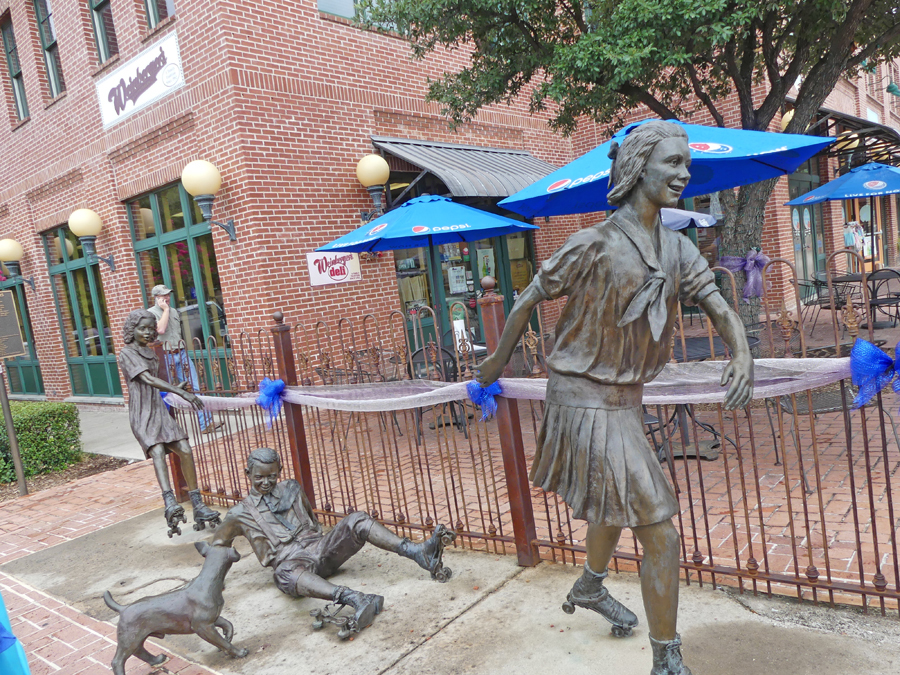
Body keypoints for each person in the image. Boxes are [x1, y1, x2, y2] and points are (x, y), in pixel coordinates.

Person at [475, 121, 753, 675]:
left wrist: (741, 351)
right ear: (637, 169)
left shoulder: (675, 246)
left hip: (626, 398)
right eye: (673, 163)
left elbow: (716, 303)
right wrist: (496, 361)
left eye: (687, 166)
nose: (683, 175)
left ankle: (590, 585)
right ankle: (666, 660)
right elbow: (529, 298)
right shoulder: (594, 243)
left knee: (613, 498)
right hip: (582, 397)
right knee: (660, 529)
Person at [211, 447, 455, 635]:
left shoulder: (292, 488)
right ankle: (354, 598)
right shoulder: (239, 514)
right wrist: (214, 582)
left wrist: (321, 541)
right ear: (247, 475)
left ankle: (418, 552)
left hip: (320, 548)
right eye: (259, 478)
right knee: (283, 574)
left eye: (272, 476)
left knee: (357, 519)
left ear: (279, 472)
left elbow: (311, 519)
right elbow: (218, 545)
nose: (266, 483)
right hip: (292, 564)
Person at [118, 309, 222, 536]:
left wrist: (176, 387)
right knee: (157, 451)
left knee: (184, 448)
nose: (147, 332)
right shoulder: (127, 353)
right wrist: (179, 392)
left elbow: (155, 381)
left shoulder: (150, 352)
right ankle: (170, 503)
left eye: (150, 328)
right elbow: (146, 378)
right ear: (132, 330)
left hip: (159, 408)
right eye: (142, 328)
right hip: (143, 412)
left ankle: (198, 505)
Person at [147, 285, 221, 434]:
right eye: (163, 295)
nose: (167, 298)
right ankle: (166, 429)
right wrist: (165, 310)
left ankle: (205, 424)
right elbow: (160, 330)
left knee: (196, 387)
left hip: (180, 353)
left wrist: (169, 310)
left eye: (168, 295)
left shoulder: (174, 311)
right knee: (165, 392)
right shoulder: (150, 314)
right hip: (164, 356)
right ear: (156, 297)